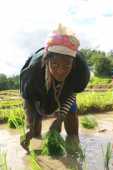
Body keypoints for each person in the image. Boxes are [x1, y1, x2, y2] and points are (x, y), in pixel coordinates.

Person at [20, 24, 90, 152]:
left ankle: (73, 152)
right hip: (39, 92)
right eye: (55, 64)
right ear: (47, 61)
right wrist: (29, 126)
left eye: (66, 66)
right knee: (34, 132)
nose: (60, 71)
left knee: (72, 125)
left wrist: (60, 118)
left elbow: (72, 94)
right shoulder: (33, 72)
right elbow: (28, 100)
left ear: (73, 64)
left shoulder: (81, 70)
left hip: (66, 90)